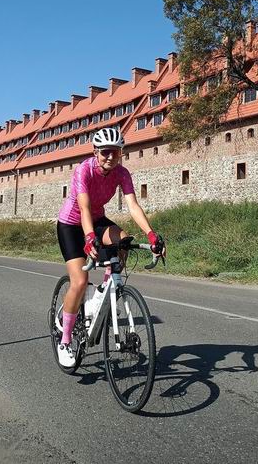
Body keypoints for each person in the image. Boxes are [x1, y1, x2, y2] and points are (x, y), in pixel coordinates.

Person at [55, 126, 165, 367]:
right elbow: (84, 207)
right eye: (105, 152)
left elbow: (133, 205)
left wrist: (151, 235)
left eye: (116, 152)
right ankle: (65, 341)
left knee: (123, 240)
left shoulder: (122, 173)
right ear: (95, 151)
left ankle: (104, 289)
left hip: (97, 220)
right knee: (80, 282)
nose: (110, 157)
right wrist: (88, 238)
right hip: (71, 225)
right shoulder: (83, 170)